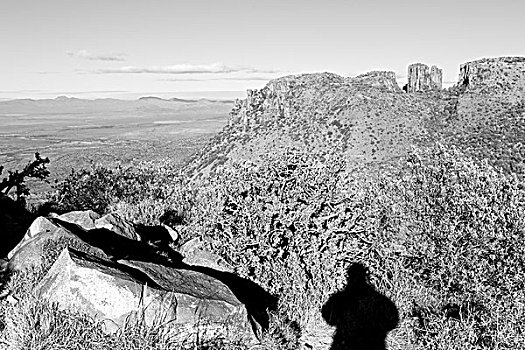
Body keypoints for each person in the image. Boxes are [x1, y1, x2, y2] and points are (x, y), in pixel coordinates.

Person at [322, 263, 399, 350]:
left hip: (345, 344)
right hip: (372, 344)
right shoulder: (379, 299)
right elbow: (393, 320)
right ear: (365, 276)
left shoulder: (339, 299)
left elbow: (328, 317)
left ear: (348, 276)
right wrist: (378, 331)